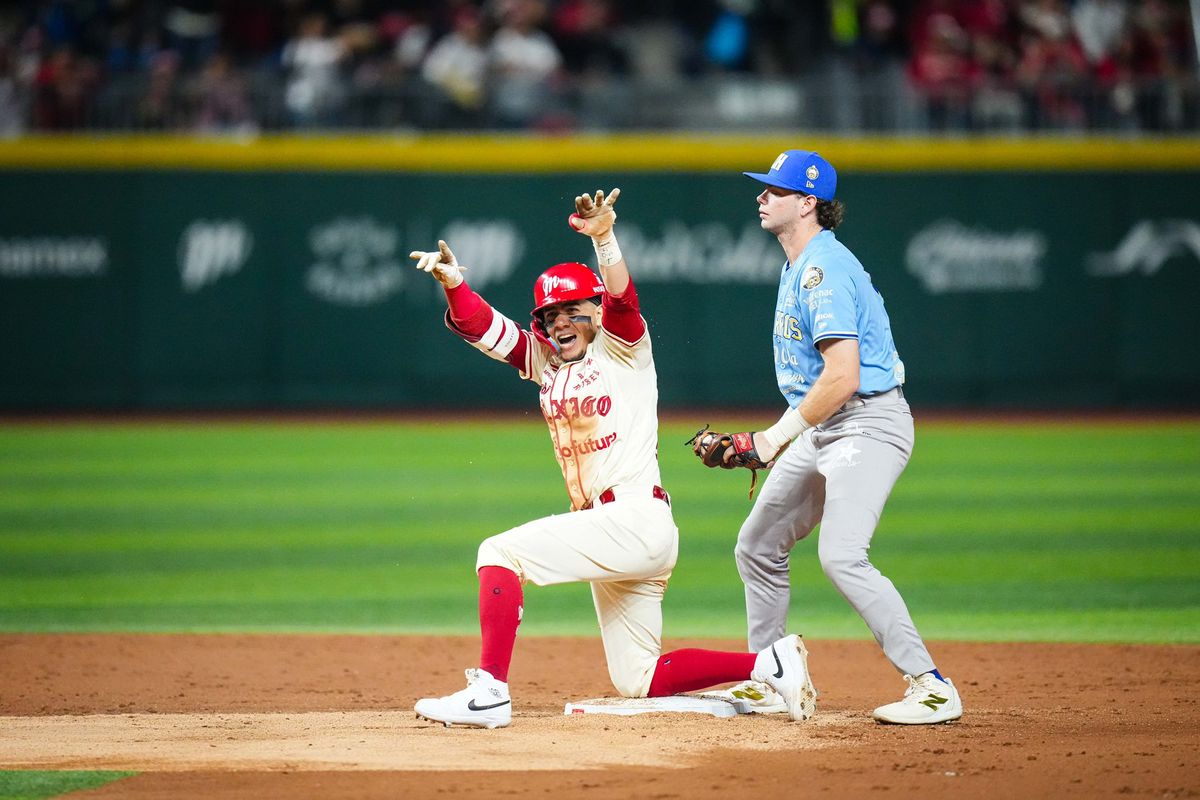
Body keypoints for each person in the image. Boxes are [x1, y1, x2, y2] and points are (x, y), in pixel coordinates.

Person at [409, 188, 816, 729]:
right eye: (550, 315)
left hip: (632, 518)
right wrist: (457, 285)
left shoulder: (622, 345)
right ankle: (770, 663)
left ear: (594, 312)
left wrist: (604, 236)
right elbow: (485, 329)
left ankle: (489, 692)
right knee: (638, 677)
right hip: (619, 528)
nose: (559, 323)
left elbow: (625, 301)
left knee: (498, 553)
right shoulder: (547, 362)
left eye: (572, 311)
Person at [698, 150, 963, 725]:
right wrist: (774, 440)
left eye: (776, 189)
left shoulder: (823, 268)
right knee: (757, 545)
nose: (762, 196)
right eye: (762, 188)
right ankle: (770, 679)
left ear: (809, 202)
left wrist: (768, 441)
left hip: (869, 422)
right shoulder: (799, 265)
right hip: (827, 429)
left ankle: (932, 685)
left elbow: (843, 376)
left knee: (842, 555)